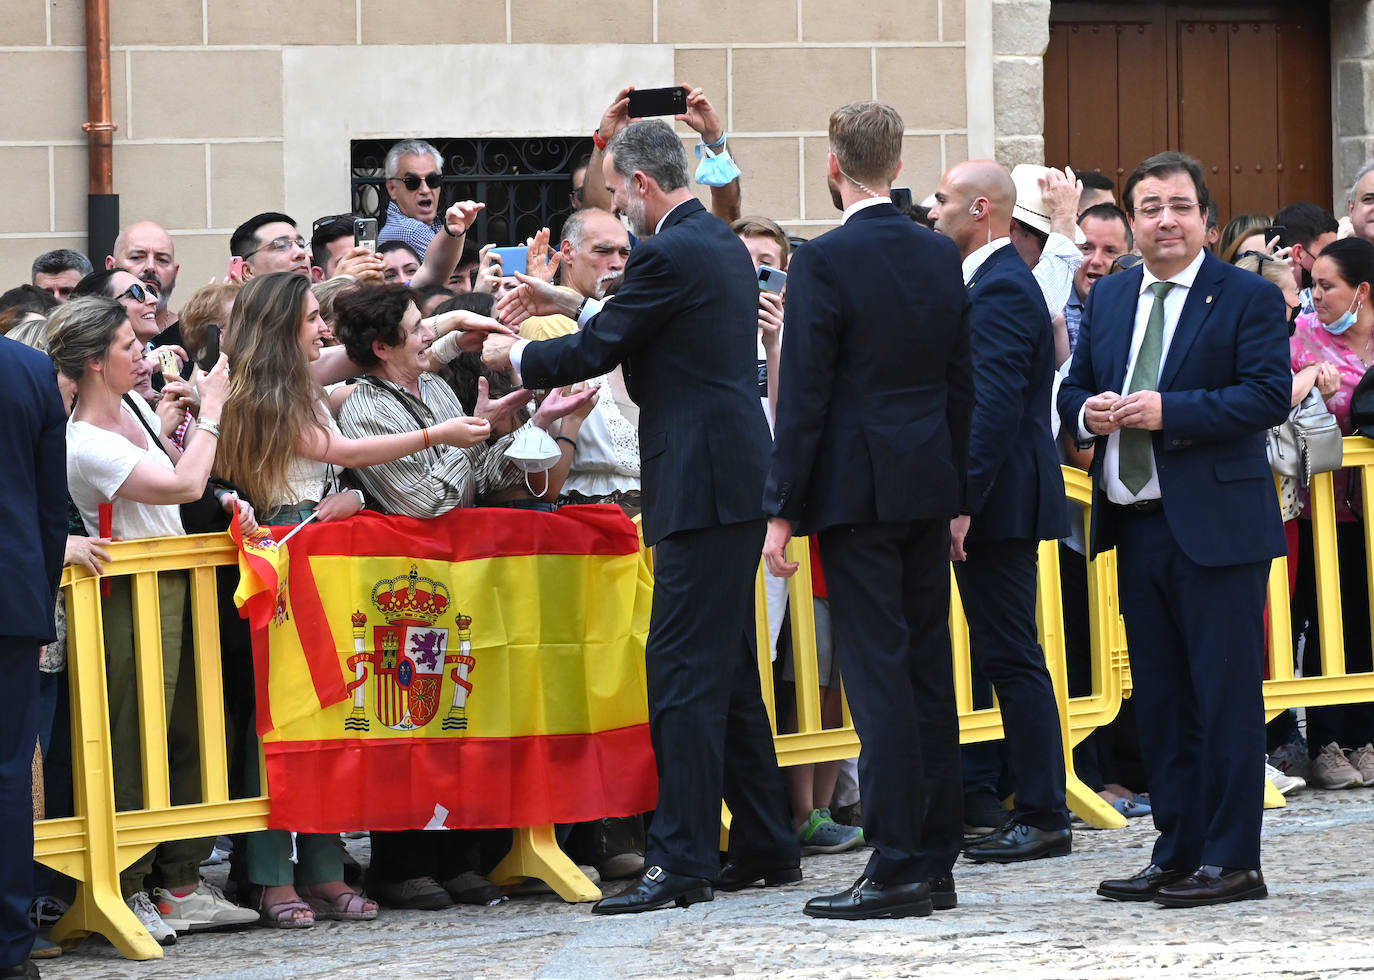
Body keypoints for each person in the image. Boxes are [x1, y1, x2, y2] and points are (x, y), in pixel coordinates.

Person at [485, 118, 798, 915]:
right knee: (724, 671)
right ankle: (764, 843)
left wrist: (511, 357)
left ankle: (682, 861)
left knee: (682, 676)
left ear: (643, 184)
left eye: (619, 191)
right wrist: (562, 299)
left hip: (698, 480)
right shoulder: (719, 241)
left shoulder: (669, 248)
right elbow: (632, 317)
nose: (620, 207)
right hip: (726, 474)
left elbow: (602, 345)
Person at [213, 272, 493, 928]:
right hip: (279, 558)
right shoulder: (255, 391)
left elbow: (377, 357)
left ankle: (323, 868)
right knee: (276, 724)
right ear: (286, 326)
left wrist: (450, 333)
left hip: (321, 551)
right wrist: (434, 438)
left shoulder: (301, 378)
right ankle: (268, 876)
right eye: (314, 318)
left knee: (326, 715)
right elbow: (336, 448)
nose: (325, 329)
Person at [1059, 151, 1291, 908]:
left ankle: (1232, 860)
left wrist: (1171, 411)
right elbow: (1075, 385)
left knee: (1222, 697)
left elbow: (1264, 397)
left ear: (1207, 220)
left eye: (1180, 206)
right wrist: (1086, 411)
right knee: (1160, 698)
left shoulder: (1244, 297)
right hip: (1137, 523)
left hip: (1218, 528)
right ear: (1130, 220)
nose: (1165, 219)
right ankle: (1176, 849)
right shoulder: (1116, 296)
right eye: (1150, 206)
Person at [762, 101, 972, 920]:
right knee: (925, 674)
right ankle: (936, 859)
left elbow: (806, 391)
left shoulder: (826, 259)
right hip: (925, 486)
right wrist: (958, 498)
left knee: (881, 680)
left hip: (857, 493)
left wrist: (781, 510)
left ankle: (895, 863)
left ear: (832, 164)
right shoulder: (937, 252)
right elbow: (962, 381)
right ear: (896, 160)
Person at [47, 296, 259, 943]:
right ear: (92, 362)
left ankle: (181, 881)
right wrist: (214, 411)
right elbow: (177, 487)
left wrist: (229, 502)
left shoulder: (138, 407)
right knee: (135, 740)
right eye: (125, 345)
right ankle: (128, 886)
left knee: (195, 731)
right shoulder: (82, 440)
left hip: (176, 580)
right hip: (126, 596)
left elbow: (187, 488)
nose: (140, 350)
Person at [928, 160, 1073, 865]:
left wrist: (961, 506)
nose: (932, 210)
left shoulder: (1001, 288)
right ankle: (1037, 806)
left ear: (981, 209)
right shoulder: (989, 283)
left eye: (943, 200)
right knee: (1007, 653)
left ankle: (1044, 811)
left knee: (1014, 657)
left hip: (999, 505)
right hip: (997, 501)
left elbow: (988, 412)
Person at [1288, 238, 1374, 789]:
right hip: (1322, 509)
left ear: (1361, 291)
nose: (1315, 296)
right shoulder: (1303, 338)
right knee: (1326, 622)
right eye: (1313, 284)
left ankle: (1366, 738)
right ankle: (1326, 741)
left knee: (1366, 622)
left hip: (1369, 511)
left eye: (1328, 286)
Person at [0, 332, 67, 980]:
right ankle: (8, 947)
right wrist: (38, 592)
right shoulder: (28, 368)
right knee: (7, 774)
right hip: (12, 591)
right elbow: (52, 508)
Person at [376, 140, 447, 259]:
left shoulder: (426, 226)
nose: (425, 190)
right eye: (412, 182)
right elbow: (457, 275)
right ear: (392, 188)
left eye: (432, 180)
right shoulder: (413, 232)